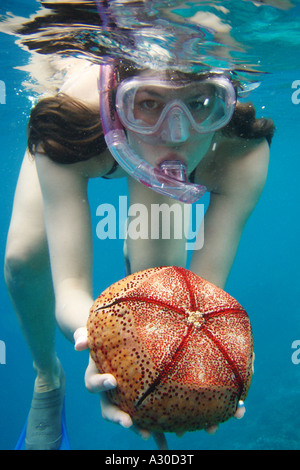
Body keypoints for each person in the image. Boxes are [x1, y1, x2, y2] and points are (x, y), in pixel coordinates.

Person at [4, 53, 274, 449]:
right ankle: (47, 376)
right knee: (21, 260)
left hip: (140, 146)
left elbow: (197, 303)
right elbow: (71, 290)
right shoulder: (68, 120)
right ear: (116, 99)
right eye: (148, 103)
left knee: (162, 293)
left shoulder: (242, 153)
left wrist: (194, 368)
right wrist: (103, 345)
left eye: (200, 103)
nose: (176, 133)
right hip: (90, 138)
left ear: (224, 100)